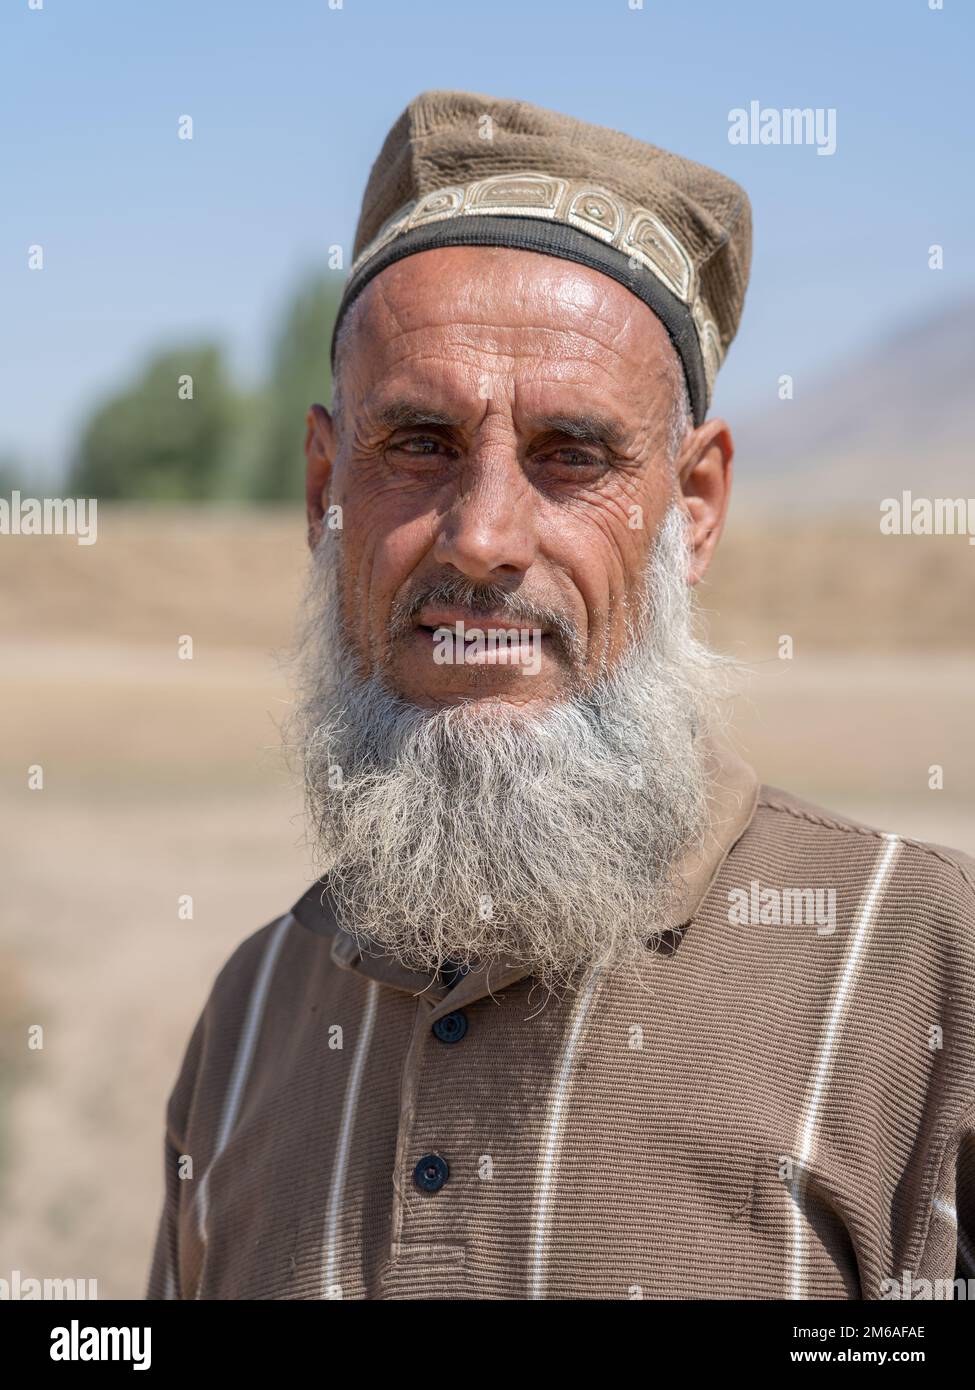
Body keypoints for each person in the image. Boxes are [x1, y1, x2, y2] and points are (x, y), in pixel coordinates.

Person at [147, 90, 975, 1301]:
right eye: (419, 443)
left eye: (571, 455)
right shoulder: (253, 1011)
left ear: (691, 509)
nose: (482, 536)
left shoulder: (919, 966)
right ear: (326, 485)